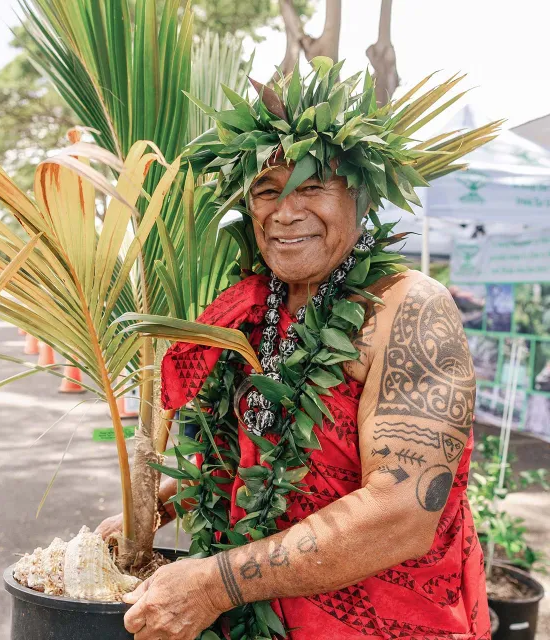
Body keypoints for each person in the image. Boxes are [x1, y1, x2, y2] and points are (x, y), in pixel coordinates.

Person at [97, 61, 494, 639]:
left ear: (358, 198)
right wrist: (161, 505)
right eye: (266, 191)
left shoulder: (409, 309)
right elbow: (264, 444)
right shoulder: (254, 312)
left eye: (311, 187)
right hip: (260, 621)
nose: (286, 211)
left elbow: (403, 513)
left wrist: (215, 584)